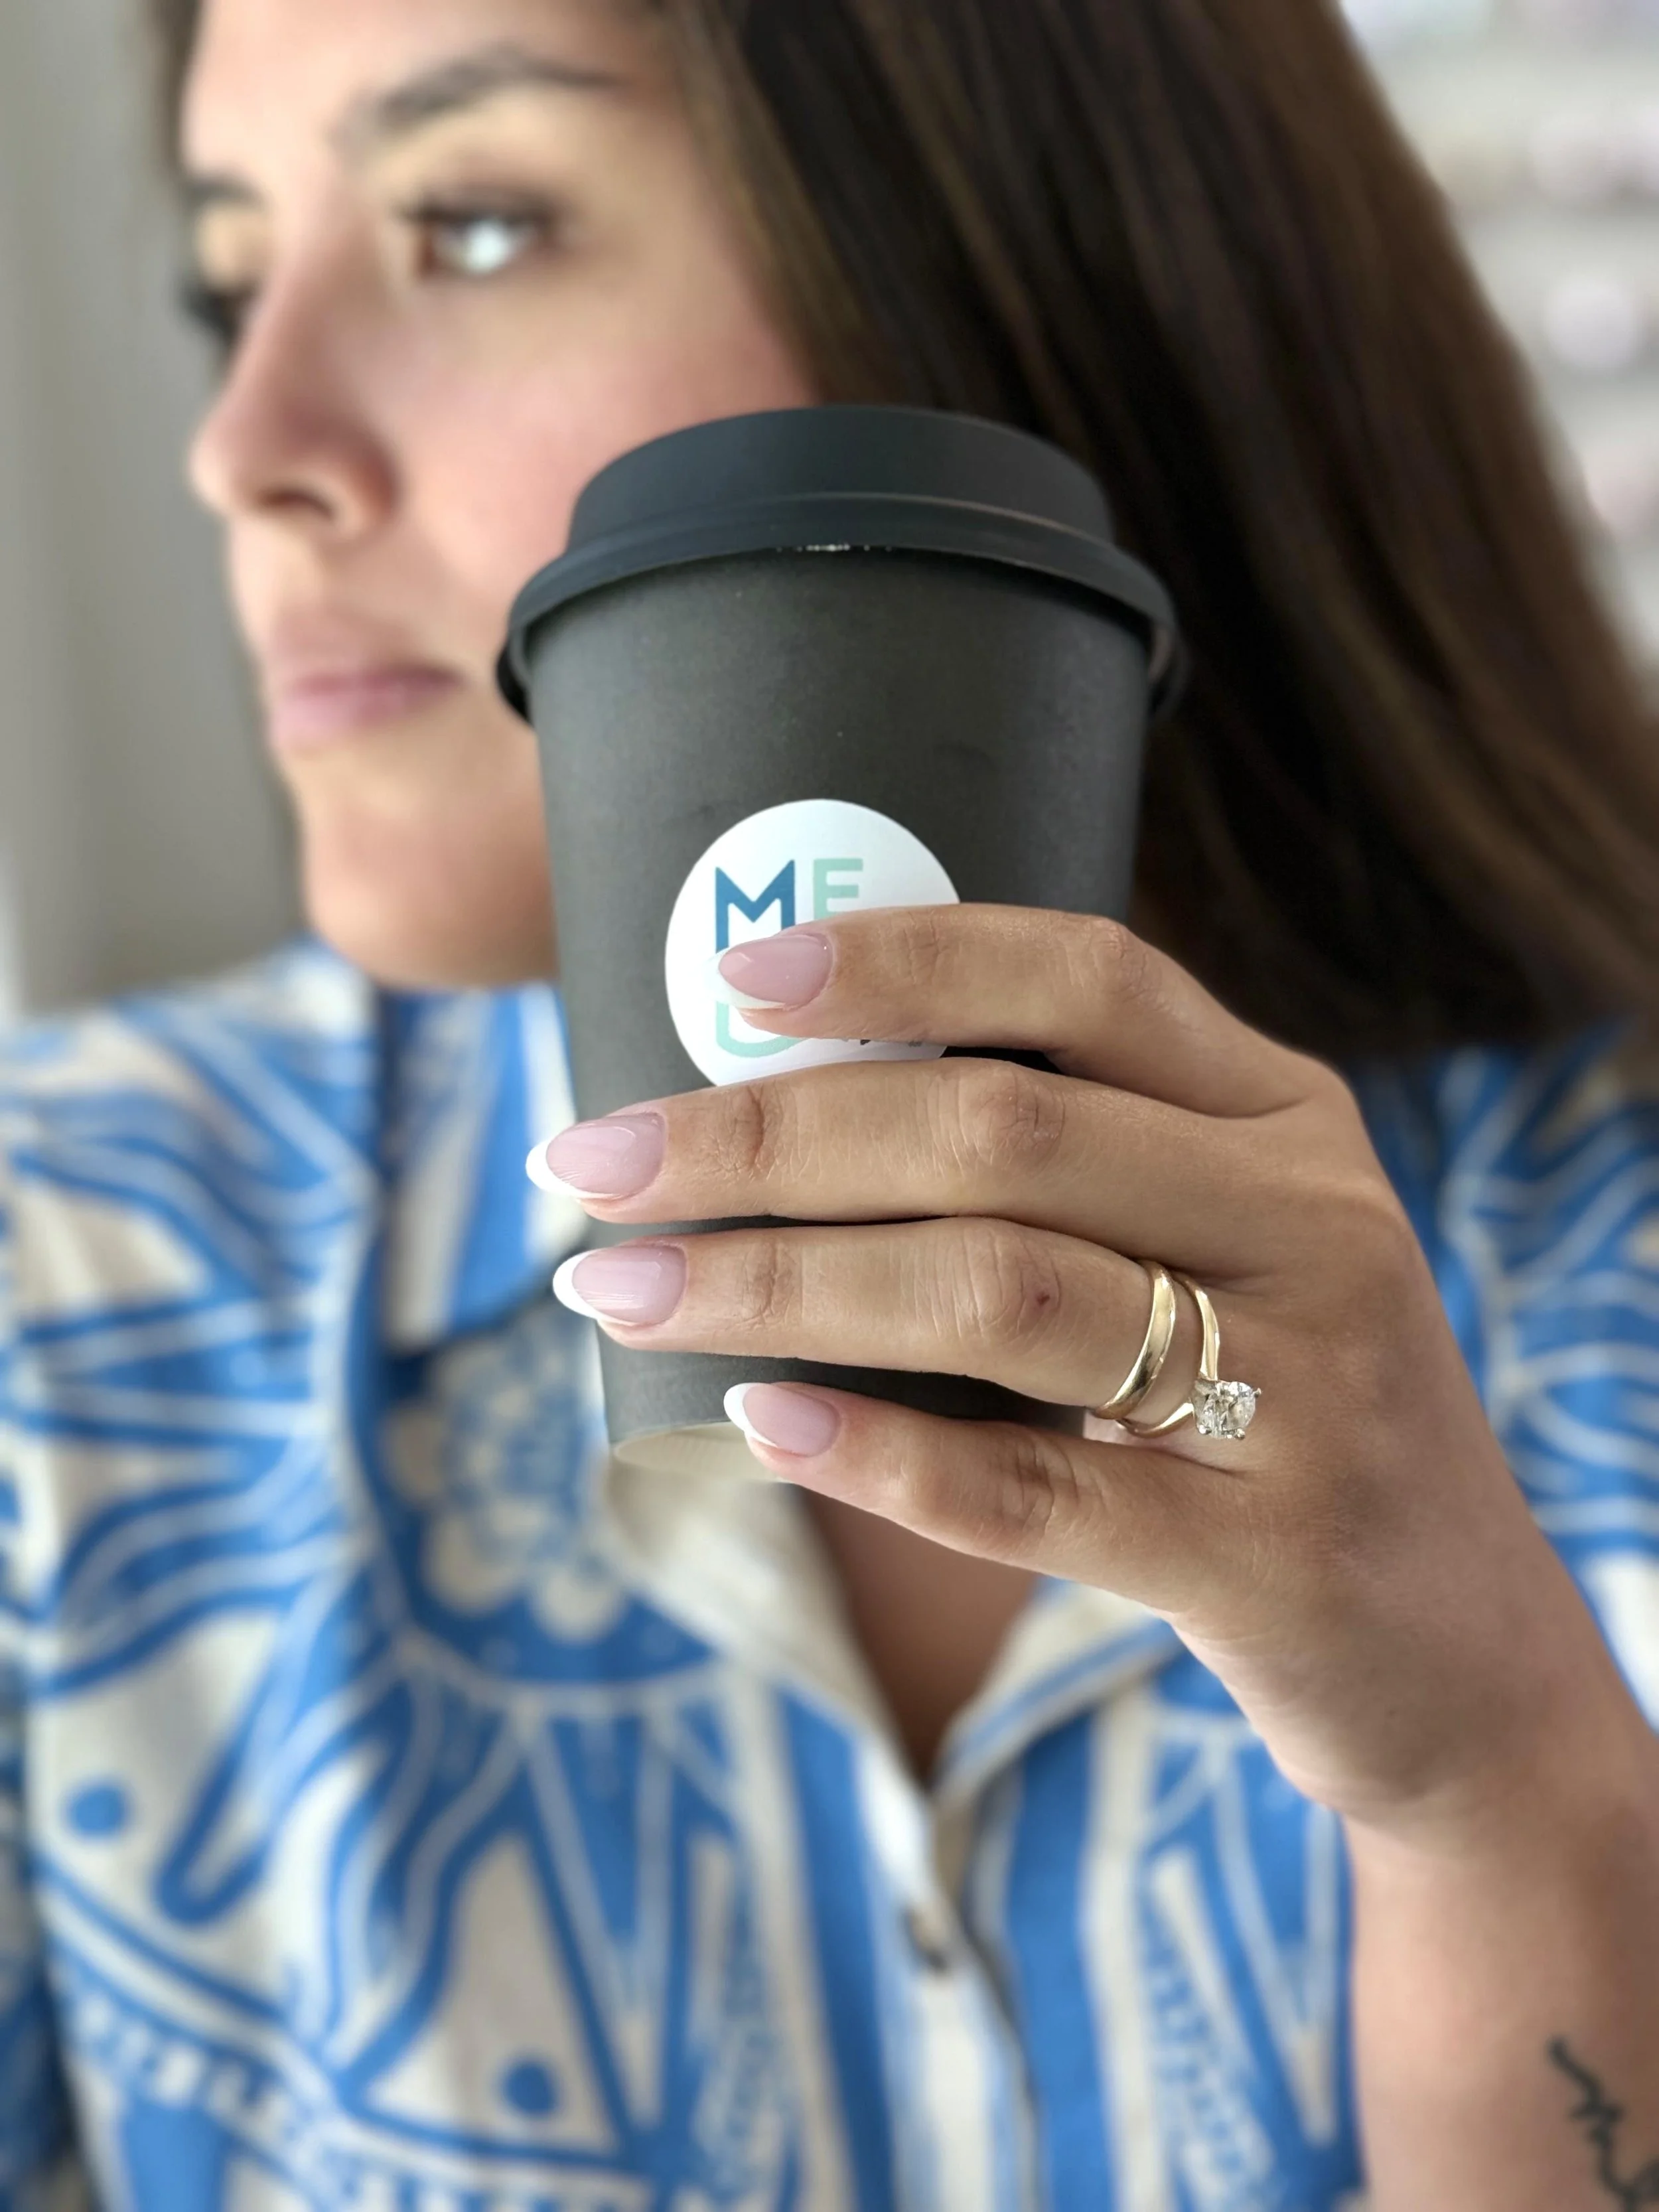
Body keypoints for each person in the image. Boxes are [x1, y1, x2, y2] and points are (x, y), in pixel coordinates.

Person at [3, 0, 1658, 2202]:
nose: (246, 442)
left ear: (1034, 262)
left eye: (475, 223)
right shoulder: (62, 1295)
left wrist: (1495, 1790)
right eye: (230, 278)